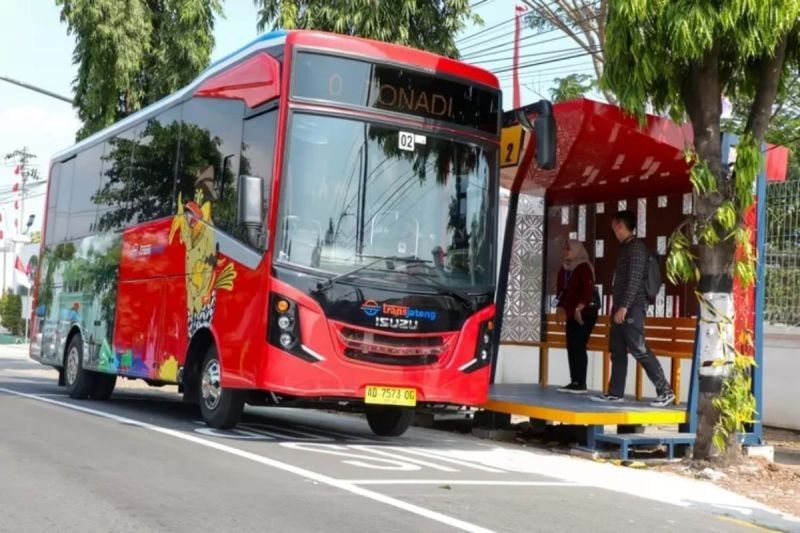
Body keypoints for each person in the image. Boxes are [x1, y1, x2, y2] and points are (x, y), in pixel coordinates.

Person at [593, 210, 676, 407]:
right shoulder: (625, 248)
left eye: (614, 226)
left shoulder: (637, 248)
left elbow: (635, 279)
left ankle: (665, 390)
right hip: (621, 307)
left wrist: (624, 307)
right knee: (617, 349)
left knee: (638, 347)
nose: (613, 230)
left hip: (632, 307)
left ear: (620, 225)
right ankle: (615, 392)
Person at [554, 240, 598, 394]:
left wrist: (579, 307)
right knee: (571, 344)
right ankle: (575, 381)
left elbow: (587, 291)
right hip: (571, 312)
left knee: (578, 344)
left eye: (569, 249)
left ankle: (581, 383)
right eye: (565, 248)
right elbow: (560, 291)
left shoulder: (583, 267)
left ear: (577, 250)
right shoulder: (563, 269)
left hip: (585, 312)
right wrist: (559, 308)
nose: (566, 251)